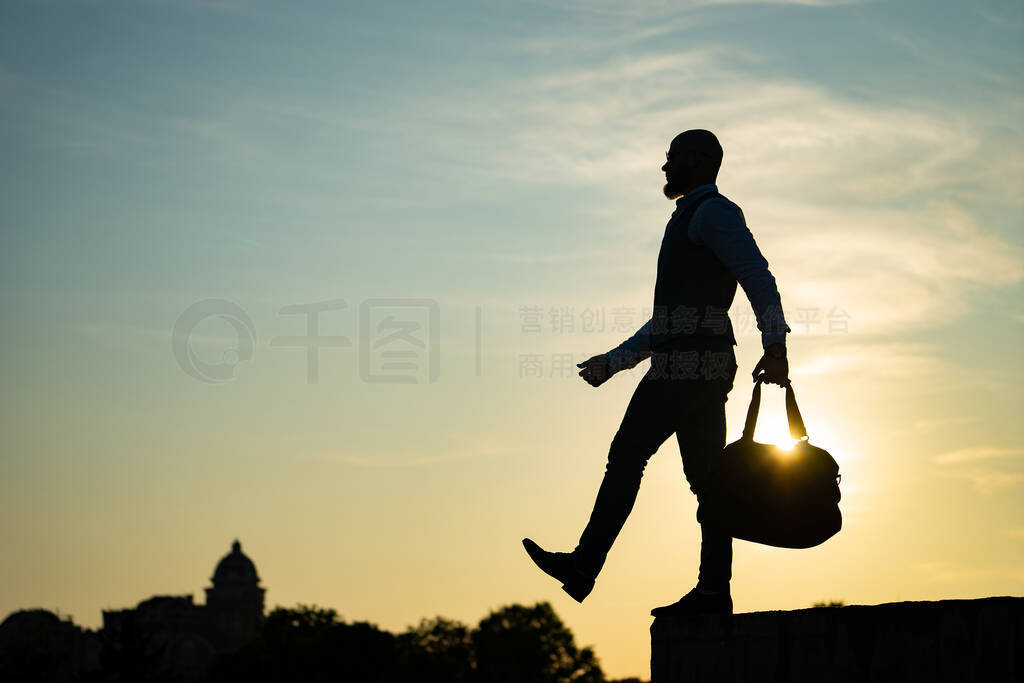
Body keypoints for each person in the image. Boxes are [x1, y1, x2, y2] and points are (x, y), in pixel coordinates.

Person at [522, 129, 791, 617]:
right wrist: (616, 361)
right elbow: (673, 316)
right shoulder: (692, 217)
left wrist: (775, 344)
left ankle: (585, 567)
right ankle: (713, 592)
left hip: (687, 365)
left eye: (672, 158)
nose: (664, 167)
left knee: (627, 454)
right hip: (697, 362)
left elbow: (758, 275)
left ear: (697, 160)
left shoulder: (713, 213)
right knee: (709, 483)